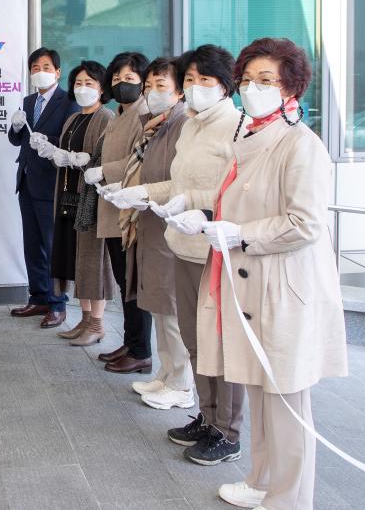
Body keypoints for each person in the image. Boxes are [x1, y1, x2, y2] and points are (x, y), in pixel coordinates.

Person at [168, 38, 347, 510]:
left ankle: (289, 497)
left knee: (285, 402)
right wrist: (204, 214)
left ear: (291, 88)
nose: (253, 89)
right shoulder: (249, 135)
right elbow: (239, 200)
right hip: (246, 282)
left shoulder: (300, 144)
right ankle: (262, 479)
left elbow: (304, 224)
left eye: (266, 81)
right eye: (247, 80)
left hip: (282, 287)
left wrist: (239, 233)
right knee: (261, 391)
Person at [144, 45, 247, 464]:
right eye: (190, 79)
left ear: (225, 85)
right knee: (194, 339)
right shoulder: (190, 125)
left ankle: (228, 429)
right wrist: (146, 194)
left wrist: (192, 200)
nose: (196, 87)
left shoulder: (237, 126)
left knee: (220, 342)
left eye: (206, 80)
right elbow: (175, 183)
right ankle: (205, 417)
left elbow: (235, 192)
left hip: (216, 252)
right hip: (183, 246)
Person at [105, 57, 194, 402]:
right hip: (148, 222)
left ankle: (181, 383)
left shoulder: (182, 123)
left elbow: (179, 179)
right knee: (157, 302)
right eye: (149, 86)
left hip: (168, 224)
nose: (152, 92)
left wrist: (141, 191)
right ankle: (166, 373)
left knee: (170, 307)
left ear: (179, 91)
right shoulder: (156, 124)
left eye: (161, 86)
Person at [83, 52, 154, 373]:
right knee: (125, 284)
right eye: (116, 79)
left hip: (131, 213)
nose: (122, 84)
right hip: (112, 207)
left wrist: (104, 170)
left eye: (129, 79)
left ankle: (141, 350)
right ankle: (130, 342)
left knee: (134, 284)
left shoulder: (145, 114)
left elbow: (142, 160)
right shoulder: (120, 113)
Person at [34, 60, 114, 345]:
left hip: (89, 202)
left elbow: (106, 160)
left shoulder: (105, 118)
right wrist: (55, 152)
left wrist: (82, 160)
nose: (83, 89)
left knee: (93, 260)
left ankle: (97, 324)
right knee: (73, 259)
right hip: (68, 197)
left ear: (102, 89)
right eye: (78, 83)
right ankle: (83, 319)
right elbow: (67, 154)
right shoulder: (73, 118)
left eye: (89, 84)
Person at [7, 48, 77, 328]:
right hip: (26, 180)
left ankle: (57, 304)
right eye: (35, 67)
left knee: (52, 246)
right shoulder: (27, 100)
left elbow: (70, 140)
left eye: (45, 66)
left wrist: (48, 140)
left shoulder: (68, 101)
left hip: (52, 184)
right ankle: (38, 297)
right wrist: (14, 127)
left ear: (58, 72)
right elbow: (17, 140)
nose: (40, 71)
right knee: (32, 244)